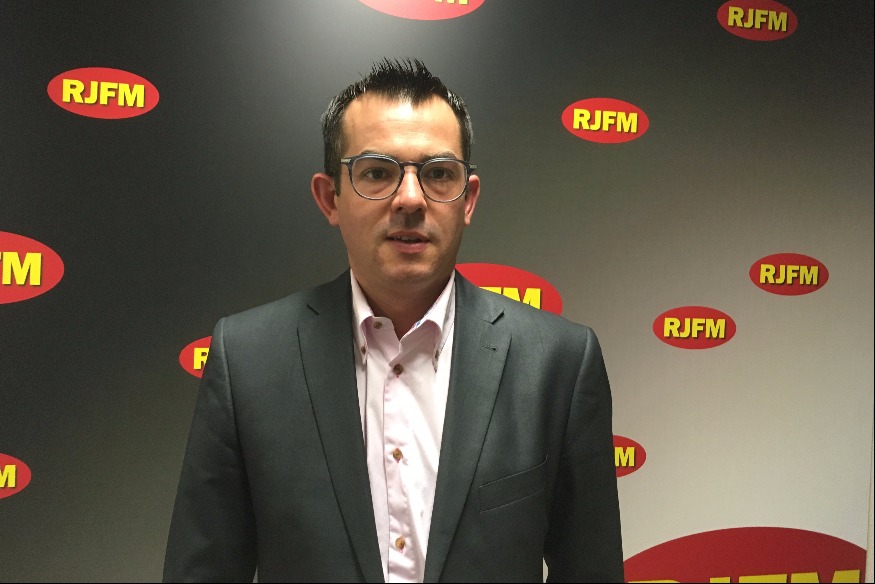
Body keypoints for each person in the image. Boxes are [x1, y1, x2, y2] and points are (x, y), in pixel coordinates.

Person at [164, 58, 623, 583]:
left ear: (468, 200)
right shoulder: (248, 361)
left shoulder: (558, 365)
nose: (409, 199)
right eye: (377, 173)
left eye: (439, 174)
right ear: (329, 198)